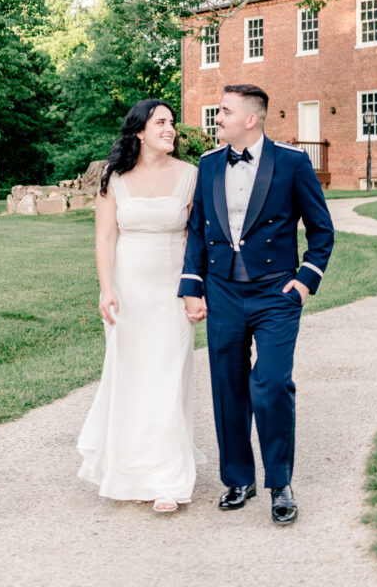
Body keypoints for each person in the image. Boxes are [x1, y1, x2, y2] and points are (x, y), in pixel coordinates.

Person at [178, 84, 334, 524]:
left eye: (224, 111)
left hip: (276, 294)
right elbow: (196, 231)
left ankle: (279, 482)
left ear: (251, 119)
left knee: (272, 382)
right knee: (227, 384)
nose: (218, 118)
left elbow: (321, 232)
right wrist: (193, 285)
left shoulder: (292, 163)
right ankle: (238, 479)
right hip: (223, 291)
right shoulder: (207, 165)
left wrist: (304, 282)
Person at [77, 99, 204, 513]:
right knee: (131, 379)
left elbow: (196, 239)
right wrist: (106, 288)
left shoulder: (191, 176)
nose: (170, 129)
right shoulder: (114, 178)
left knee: (169, 379)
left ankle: (168, 480)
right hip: (128, 290)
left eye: (171, 123)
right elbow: (104, 238)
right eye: (161, 122)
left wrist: (194, 290)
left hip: (171, 289)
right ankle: (132, 472)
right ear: (140, 132)